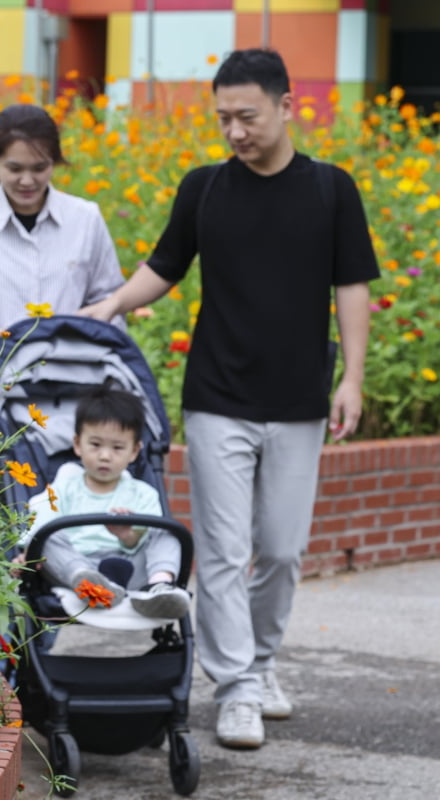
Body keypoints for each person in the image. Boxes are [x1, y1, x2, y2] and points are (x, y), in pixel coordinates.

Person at [79, 49, 379, 750]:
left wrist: (353, 377)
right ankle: (237, 686)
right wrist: (112, 306)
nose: (234, 132)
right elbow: (165, 267)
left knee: (280, 548)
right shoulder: (204, 188)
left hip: (301, 398)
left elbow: (353, 288)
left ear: (285, 105)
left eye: (246, 116)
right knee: (221, 549)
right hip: (217, 395)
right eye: (223, 119)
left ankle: (263, 663)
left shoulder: (332, 190)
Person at [0, 103, 125, 388]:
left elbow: (109, 301)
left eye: (39, 168)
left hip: (70, 389)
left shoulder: (85, 219)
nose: (27, 181)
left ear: (55, 162)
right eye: (14, 168)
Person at [13, 386, 191, 620]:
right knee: (46, 536)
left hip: (129, 568)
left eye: (117, 448)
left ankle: (159, 587)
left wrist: (128, 535)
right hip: (75, 568)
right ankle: (89, 582)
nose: (105, 456)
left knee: (166, 532)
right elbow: (39, 516)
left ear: (134, 451)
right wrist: (29, 552)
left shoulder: (143, 493)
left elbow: (148, 538)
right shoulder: (64, 485)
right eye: (95, 445)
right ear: (77, 444)